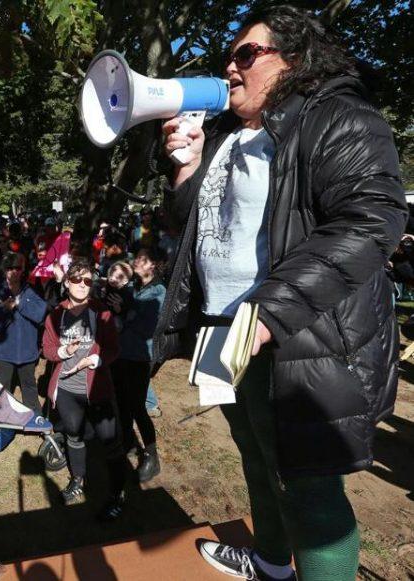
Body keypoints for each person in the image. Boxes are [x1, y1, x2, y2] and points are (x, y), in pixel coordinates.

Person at [157, 6, 406, 579]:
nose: (230, 65)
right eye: (230, 54)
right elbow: (195, 223)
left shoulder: (338, 115)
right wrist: (187, 166)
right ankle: (270, 563)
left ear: (295, 61)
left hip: (296, 333)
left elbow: (372, 220)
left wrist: (271, 312)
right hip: (224, 330)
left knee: (309, 489)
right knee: (256, 459)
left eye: (247, 54)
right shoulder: (225, 133)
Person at [42, 259, 129, 520]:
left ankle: (117, 494)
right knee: (74, 436)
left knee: (110, 442)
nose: (82, 285)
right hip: (68, 389)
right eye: (77, 279)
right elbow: (47, 350)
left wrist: (96, 360)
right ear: (67, 282)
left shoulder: (101, 313)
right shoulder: (56, 315)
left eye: (88, 280)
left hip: (97, 390)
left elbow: (113, 348)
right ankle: (78, 480)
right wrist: (62, 351)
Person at [112, 248, 165, 482]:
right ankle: (128, 445)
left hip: (140, 357)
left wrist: (124, 313)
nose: (136, 261)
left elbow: (146, 326)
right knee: (122, 404)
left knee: (137, 408)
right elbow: (127, 318)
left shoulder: (158, 291)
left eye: (142, 259)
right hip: (122, 353)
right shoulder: (134, 288)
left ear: (153, 265)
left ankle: (152, 458)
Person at [0, 252, 47, 414]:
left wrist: (19, 304)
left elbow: (40, 315)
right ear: (4, 270)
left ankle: (35, 419)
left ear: (23, 270)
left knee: (29, 387)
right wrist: (4, 310)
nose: (14, 271)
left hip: (26, 352)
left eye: (17, 268)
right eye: (9, 268)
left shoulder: (30, 291)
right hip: (3, 352)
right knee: (2, 389)